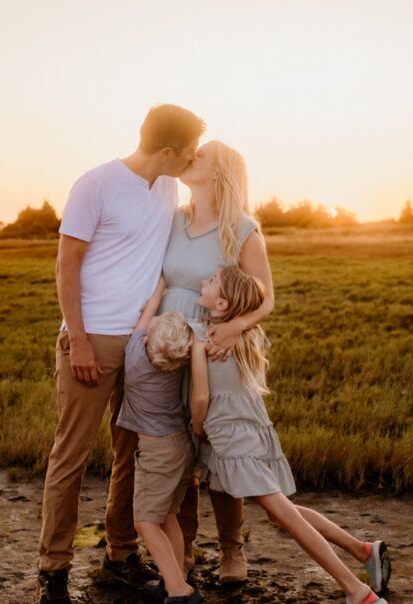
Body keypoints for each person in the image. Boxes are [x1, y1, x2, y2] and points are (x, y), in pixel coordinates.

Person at [38, 104, 205, 604]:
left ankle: (120, 554)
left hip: (144, 344)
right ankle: (53, 571)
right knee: (71, 454)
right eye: (190, 151)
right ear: (169, 151)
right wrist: (80, 338)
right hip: (94, 340)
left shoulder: (169, 188)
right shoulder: (96, 185)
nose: (193, 158)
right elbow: (66, 264)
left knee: (132, 452)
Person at [191, 265, 392, 604]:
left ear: (223, 305)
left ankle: (357, 591)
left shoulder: (206, 339)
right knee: (279, 509)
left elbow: (200, 397)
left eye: (210, 281)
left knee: (282, 513)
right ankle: (363, 550)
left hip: (229, 438)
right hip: (252, 431)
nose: (202, 280)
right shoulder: (248, 335)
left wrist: (197, 428)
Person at [159, 140, 273, 584]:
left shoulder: (242, 229)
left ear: (221, 172)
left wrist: (234, 327)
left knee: (221, 447)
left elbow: (266, 298)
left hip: (215, 346)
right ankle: (183, 549)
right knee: (177, 447)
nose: (191, 158)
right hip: (169, 344)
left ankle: (232, 550)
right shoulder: (173, 220)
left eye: (201, 156)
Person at [113, 294, 204, 604]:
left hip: (158, 452)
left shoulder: (136, 361)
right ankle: (173, 578)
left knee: (146, 521)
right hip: (182, 445)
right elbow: (153, 330)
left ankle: (180, 591)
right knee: (167, 516)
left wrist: (158, 291)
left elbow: (144, 319)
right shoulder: (177, 365)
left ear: (148, 342)